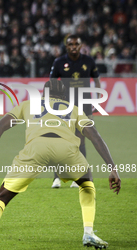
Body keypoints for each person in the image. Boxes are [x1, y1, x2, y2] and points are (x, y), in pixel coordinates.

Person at [0, 80, 121, 250]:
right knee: (86, 182)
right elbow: (95, 136)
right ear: (64, 96)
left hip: (35, 149)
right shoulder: (73, 108)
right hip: (66, 150)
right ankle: (88, 232)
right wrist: (112, 168)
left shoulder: (28, 104)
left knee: (2, 196)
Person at [49, 34, 102, 189]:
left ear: (80, 45)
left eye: (76, 44)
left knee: (81, 141)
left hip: (84, 106)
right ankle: (57, 178)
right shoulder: (59, 62)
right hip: (64, 106)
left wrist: (97, 99)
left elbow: (97, 80)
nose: (73, 47)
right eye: (70, 44)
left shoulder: (89, 61)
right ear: (67, 46)